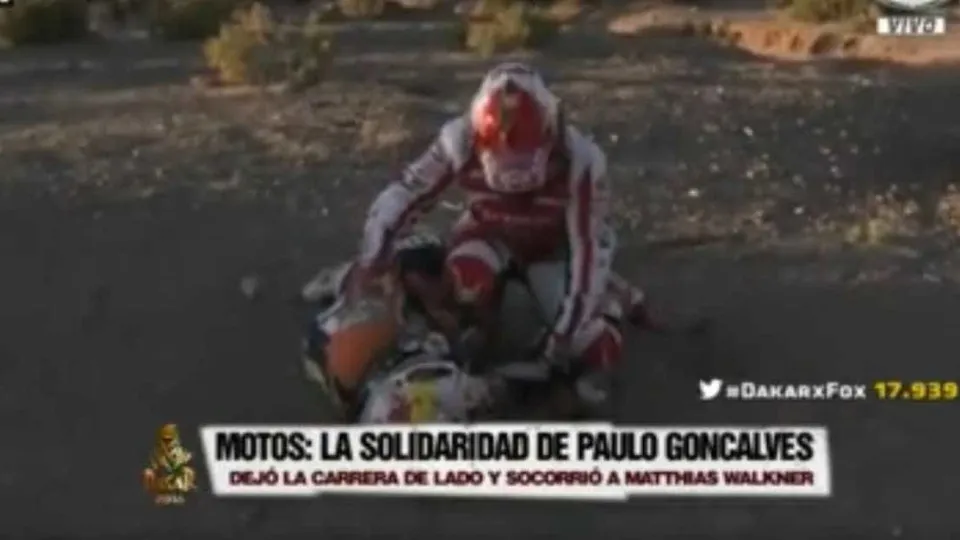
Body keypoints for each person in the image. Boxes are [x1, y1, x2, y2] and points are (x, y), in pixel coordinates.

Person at [350, 62, 648, 410]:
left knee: (593, 348)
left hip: (555, 250)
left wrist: (564, 337)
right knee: (465, 284)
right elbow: (406, 194)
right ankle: (477, 336)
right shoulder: (458, 140)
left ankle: (609, 301)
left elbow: (587, 247)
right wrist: (373, 257)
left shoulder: (582, 161)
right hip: (489, 234)